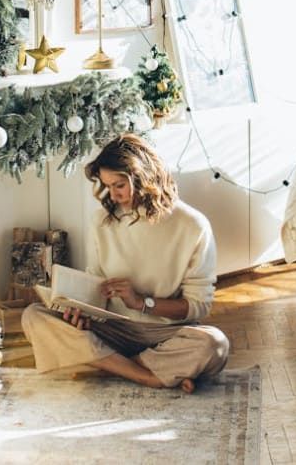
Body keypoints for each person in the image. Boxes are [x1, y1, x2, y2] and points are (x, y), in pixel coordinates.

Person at [21, 133, 228, 393]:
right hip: (112, 328)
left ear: (145, 177)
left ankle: (109, 366)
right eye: (108, 186)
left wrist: (142, 303)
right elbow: (95, 284)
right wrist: (80, 312)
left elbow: (198, 306)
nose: (114, 195)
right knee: (34, 316)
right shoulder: (102, 222)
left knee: (214, 345)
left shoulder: (193, 225)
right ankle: (151, 376)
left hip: (165, 333)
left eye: (120, 185)